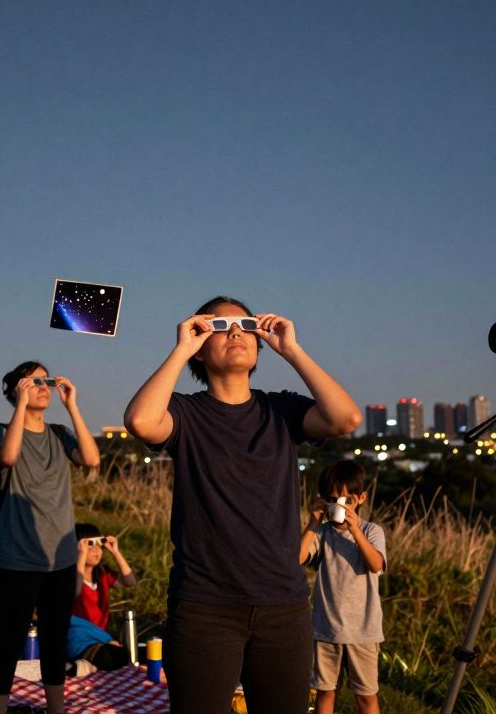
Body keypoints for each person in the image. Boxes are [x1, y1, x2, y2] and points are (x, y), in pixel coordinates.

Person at [124, 296, 361, 712]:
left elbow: (346, 419)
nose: (235, 332)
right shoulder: (184, 412)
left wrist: (292, 350)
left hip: (282, 604)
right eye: (219, 326)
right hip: (203, 605)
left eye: (245, 325)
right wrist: (180, 349)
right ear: (200, 344)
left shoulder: (281, 409)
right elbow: (141, 421)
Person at [0, 362, 100, 714]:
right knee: (10, 640)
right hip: (16, 558)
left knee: (54, 641)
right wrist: (20, 404)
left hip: (61, 558)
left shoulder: (60, 432)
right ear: (17, 389)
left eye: (46, 380)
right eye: (34, 381)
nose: (44, 386)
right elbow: (9, 457)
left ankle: (56, 709)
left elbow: (91, 458)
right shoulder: (0, 431)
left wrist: (73, 405)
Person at [299, 461, 386, 714]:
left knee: (366, 697)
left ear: (361, 499)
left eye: (347, 500)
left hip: (363, 630)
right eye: (333, 499)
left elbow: (376, 565)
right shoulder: (322, 534)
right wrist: (313, 523)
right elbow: (298, 558)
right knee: (325, 693)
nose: (341, 505)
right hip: (326, 629)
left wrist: (355, 530)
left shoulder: (371, 531)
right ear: (324, 501)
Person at [66, 523, 138, 672]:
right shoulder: (68, 577)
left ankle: (80, 667)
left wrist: (115, 552)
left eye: (99, 544)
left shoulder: (102, 575)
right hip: (78, 640)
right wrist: (80, 555)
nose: (96, 550)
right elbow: (75, 590)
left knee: (127, 655)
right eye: (89, 545)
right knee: (114, 657)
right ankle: (77, 665)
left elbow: (130, 581)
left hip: (100, 640)